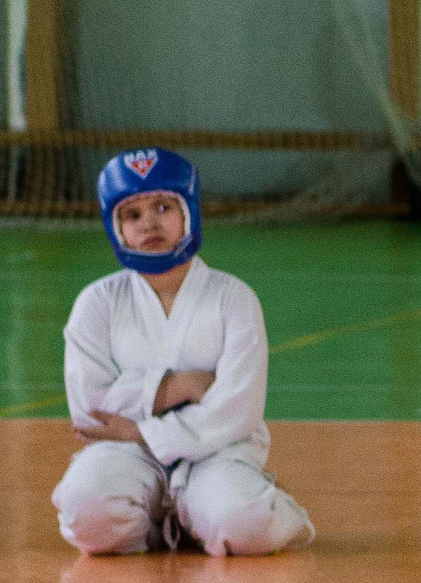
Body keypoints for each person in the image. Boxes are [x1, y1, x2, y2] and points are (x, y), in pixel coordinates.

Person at [52, 147, 313, 557]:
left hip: (216, 449)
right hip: (123, 452)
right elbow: (91, 408)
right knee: (85, 512)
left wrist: (139, 425)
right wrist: (180, 387)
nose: (150, 223)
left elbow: (238, 408)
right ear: (114, 226)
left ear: (188, 212)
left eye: (163, 207)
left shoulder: (234, 298)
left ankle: (261, 507)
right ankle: (164, 526)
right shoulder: (97, 302)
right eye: (132, 215)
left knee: (244, 523)